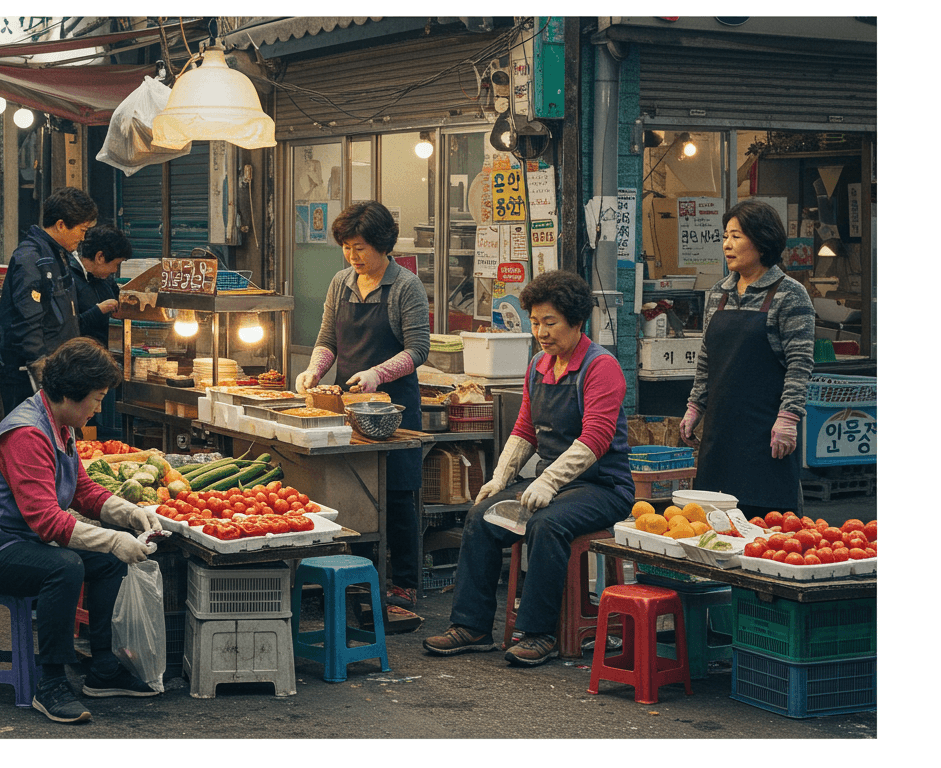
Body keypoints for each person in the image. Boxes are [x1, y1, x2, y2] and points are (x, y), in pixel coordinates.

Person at [423, 270, 635, 666]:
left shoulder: (600, 366)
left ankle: (540, 634)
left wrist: (549, 481)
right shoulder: (539, 363)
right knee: (481, 516)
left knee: (546, 523)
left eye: (550, 322)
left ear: (576, 321)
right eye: (535, 322)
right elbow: (525, 429)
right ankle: (471, 627)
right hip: (553, 484)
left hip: (604, 487)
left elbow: (596, 438)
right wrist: (500, 477)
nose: (541, 331)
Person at [0, 337, 164, 724]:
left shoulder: (60, 424)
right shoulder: (28, 434)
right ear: (69, 393)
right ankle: (50, 683)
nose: (99, 408)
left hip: (20, 540)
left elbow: (81, 488)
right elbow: (47, 521)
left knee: (105, 562)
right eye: (97, 398)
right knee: (64, 567)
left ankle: (101, 668)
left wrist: (131, 514)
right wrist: (115, 539)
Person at [294, 200, 429, 613]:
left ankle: (403, 584)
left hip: (393, 411)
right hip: (347, 405)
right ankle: (357, 579)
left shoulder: (405, 285)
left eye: (360, 248)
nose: (353, 257)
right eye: (347, 248)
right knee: (354, 490)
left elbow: (418, 349)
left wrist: (377, 375)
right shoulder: (341, 282)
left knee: (397, 497)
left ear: (382, 244)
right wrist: (314, 371)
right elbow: (327, 341)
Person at [679, 200, 815, 516]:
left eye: (737, 236)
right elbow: (706, 359)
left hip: (767, 434)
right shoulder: (718, 293)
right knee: (716, 525)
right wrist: (694, 406)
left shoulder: (790, 293)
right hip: (721, 433)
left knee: (768, 529)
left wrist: (789, 418)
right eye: (725, 236)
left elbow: (800, 363)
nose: (727, 244)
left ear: (762, 240)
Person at [0, 186, 98, 415]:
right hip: (27, 375)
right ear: (61, 225)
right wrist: (38, 364)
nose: (83, 237)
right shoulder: (31, 258)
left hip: (57, 369)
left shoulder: (57, 255)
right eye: (82, 230)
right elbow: (27, 317)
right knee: (27, 436)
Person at [70, 223, 131, 348]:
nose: (115, 270)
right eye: (116, 264)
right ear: (100, 257)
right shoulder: (67, 278)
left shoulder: (105, 279)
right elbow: (66, 329)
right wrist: (99, 310)